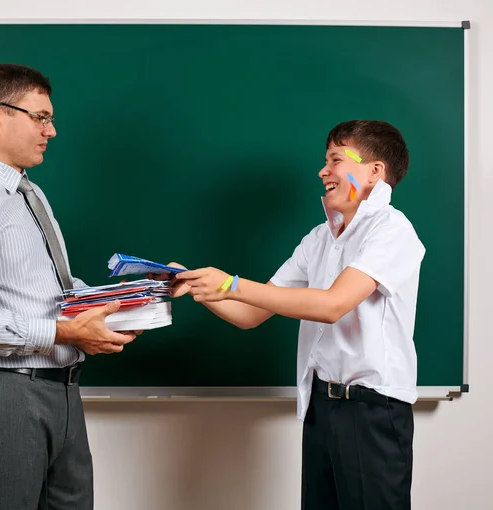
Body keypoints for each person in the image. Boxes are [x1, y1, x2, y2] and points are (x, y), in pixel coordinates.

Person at [169, 120, 425, 510]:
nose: (323, 171)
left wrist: (230, 284)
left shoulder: (392, 230)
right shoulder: (319, 239)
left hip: (372, 410)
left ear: (375, 172)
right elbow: (252, 313)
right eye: (325, 161)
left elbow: (331, 305)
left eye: (336, 160)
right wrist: (200, 287)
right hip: (321, 406)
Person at [0, 64, 138, 510]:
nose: (51, 131)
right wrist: (66, 332)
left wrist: (134, 298)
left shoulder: (25, 194)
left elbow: (53, 290)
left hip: (61, 389)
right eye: (40, 117)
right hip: (4, 394)